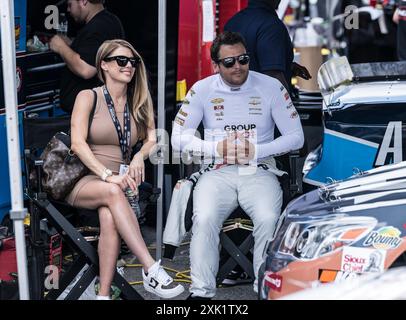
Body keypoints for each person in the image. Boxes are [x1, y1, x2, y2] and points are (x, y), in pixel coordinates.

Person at [171, 32, 304, 299]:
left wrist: (257, 150)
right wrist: (214, 148)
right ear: (216, 65)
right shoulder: (202, 89)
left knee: (268, 218)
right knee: (205, 218)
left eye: (243, 59)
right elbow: (177, 138)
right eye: (229, 62)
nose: (238, 67)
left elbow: (296, 137)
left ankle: (264, 289)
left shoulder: (271, 87)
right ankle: (201, 292)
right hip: (217, 170)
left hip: (259, 169)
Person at [68, 39, 184, 300]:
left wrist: (139, 157)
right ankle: (150, 268)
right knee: (112, 192)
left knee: (109, 216)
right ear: (104, 66)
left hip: (119, 183)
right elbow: (77, 143)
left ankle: (103, 295)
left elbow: (153, 138)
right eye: (121, 61)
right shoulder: (88, 97)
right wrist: (107, 175)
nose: (129, 66)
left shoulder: (139, 100)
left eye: (133, 61)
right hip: (86, 179)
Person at [50, 0, 125, 113]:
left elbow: (86, 69)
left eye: (70, 4)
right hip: (100, 109)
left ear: (83, 1)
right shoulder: (111, 20)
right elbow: (94, 51)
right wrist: (72, 44)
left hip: (91, 114)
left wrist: (60, 47)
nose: (68, 10)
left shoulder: (97, 27)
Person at [224, 0, 311, 93]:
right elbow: (273, 77)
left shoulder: (232, 22)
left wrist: (286, 67)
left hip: (235, 100)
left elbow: (247, 63)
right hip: (261, 104)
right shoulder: (271, 25)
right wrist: (286, 106)